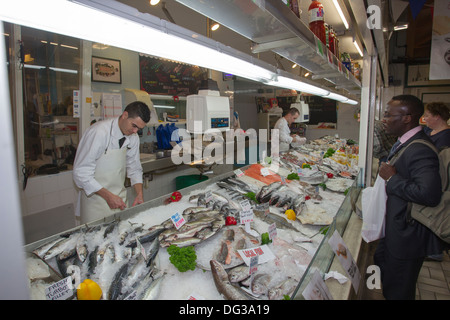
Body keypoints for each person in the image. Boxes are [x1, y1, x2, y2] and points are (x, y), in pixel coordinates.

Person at [375, 94, 443, 300]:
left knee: (399, 291)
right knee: (389, 283)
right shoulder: (406, 142)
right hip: (397, 230)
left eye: (388, 114)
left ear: (407, 118)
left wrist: (392, 178)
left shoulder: (420, 148)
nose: (384, 119)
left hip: (407, 236)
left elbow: (429, 194)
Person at [73, 101, 151, 224]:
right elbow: (81, 173)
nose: (135, 131)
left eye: (139, 129)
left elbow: (134, 168)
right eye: (134, 125)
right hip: (95, 202)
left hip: (119, 200)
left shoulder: (133, 137)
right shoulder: (99, 132)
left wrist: (139, 194)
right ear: (125, 115)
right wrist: (108, 196)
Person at [422, 102, 450, 262]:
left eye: (427, 116)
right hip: (428, 178)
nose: (424, 119)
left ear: (437, 116)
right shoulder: (431, 131)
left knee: (436, 212)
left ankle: (435, 250)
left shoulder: (446, 136)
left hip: (438, 181)